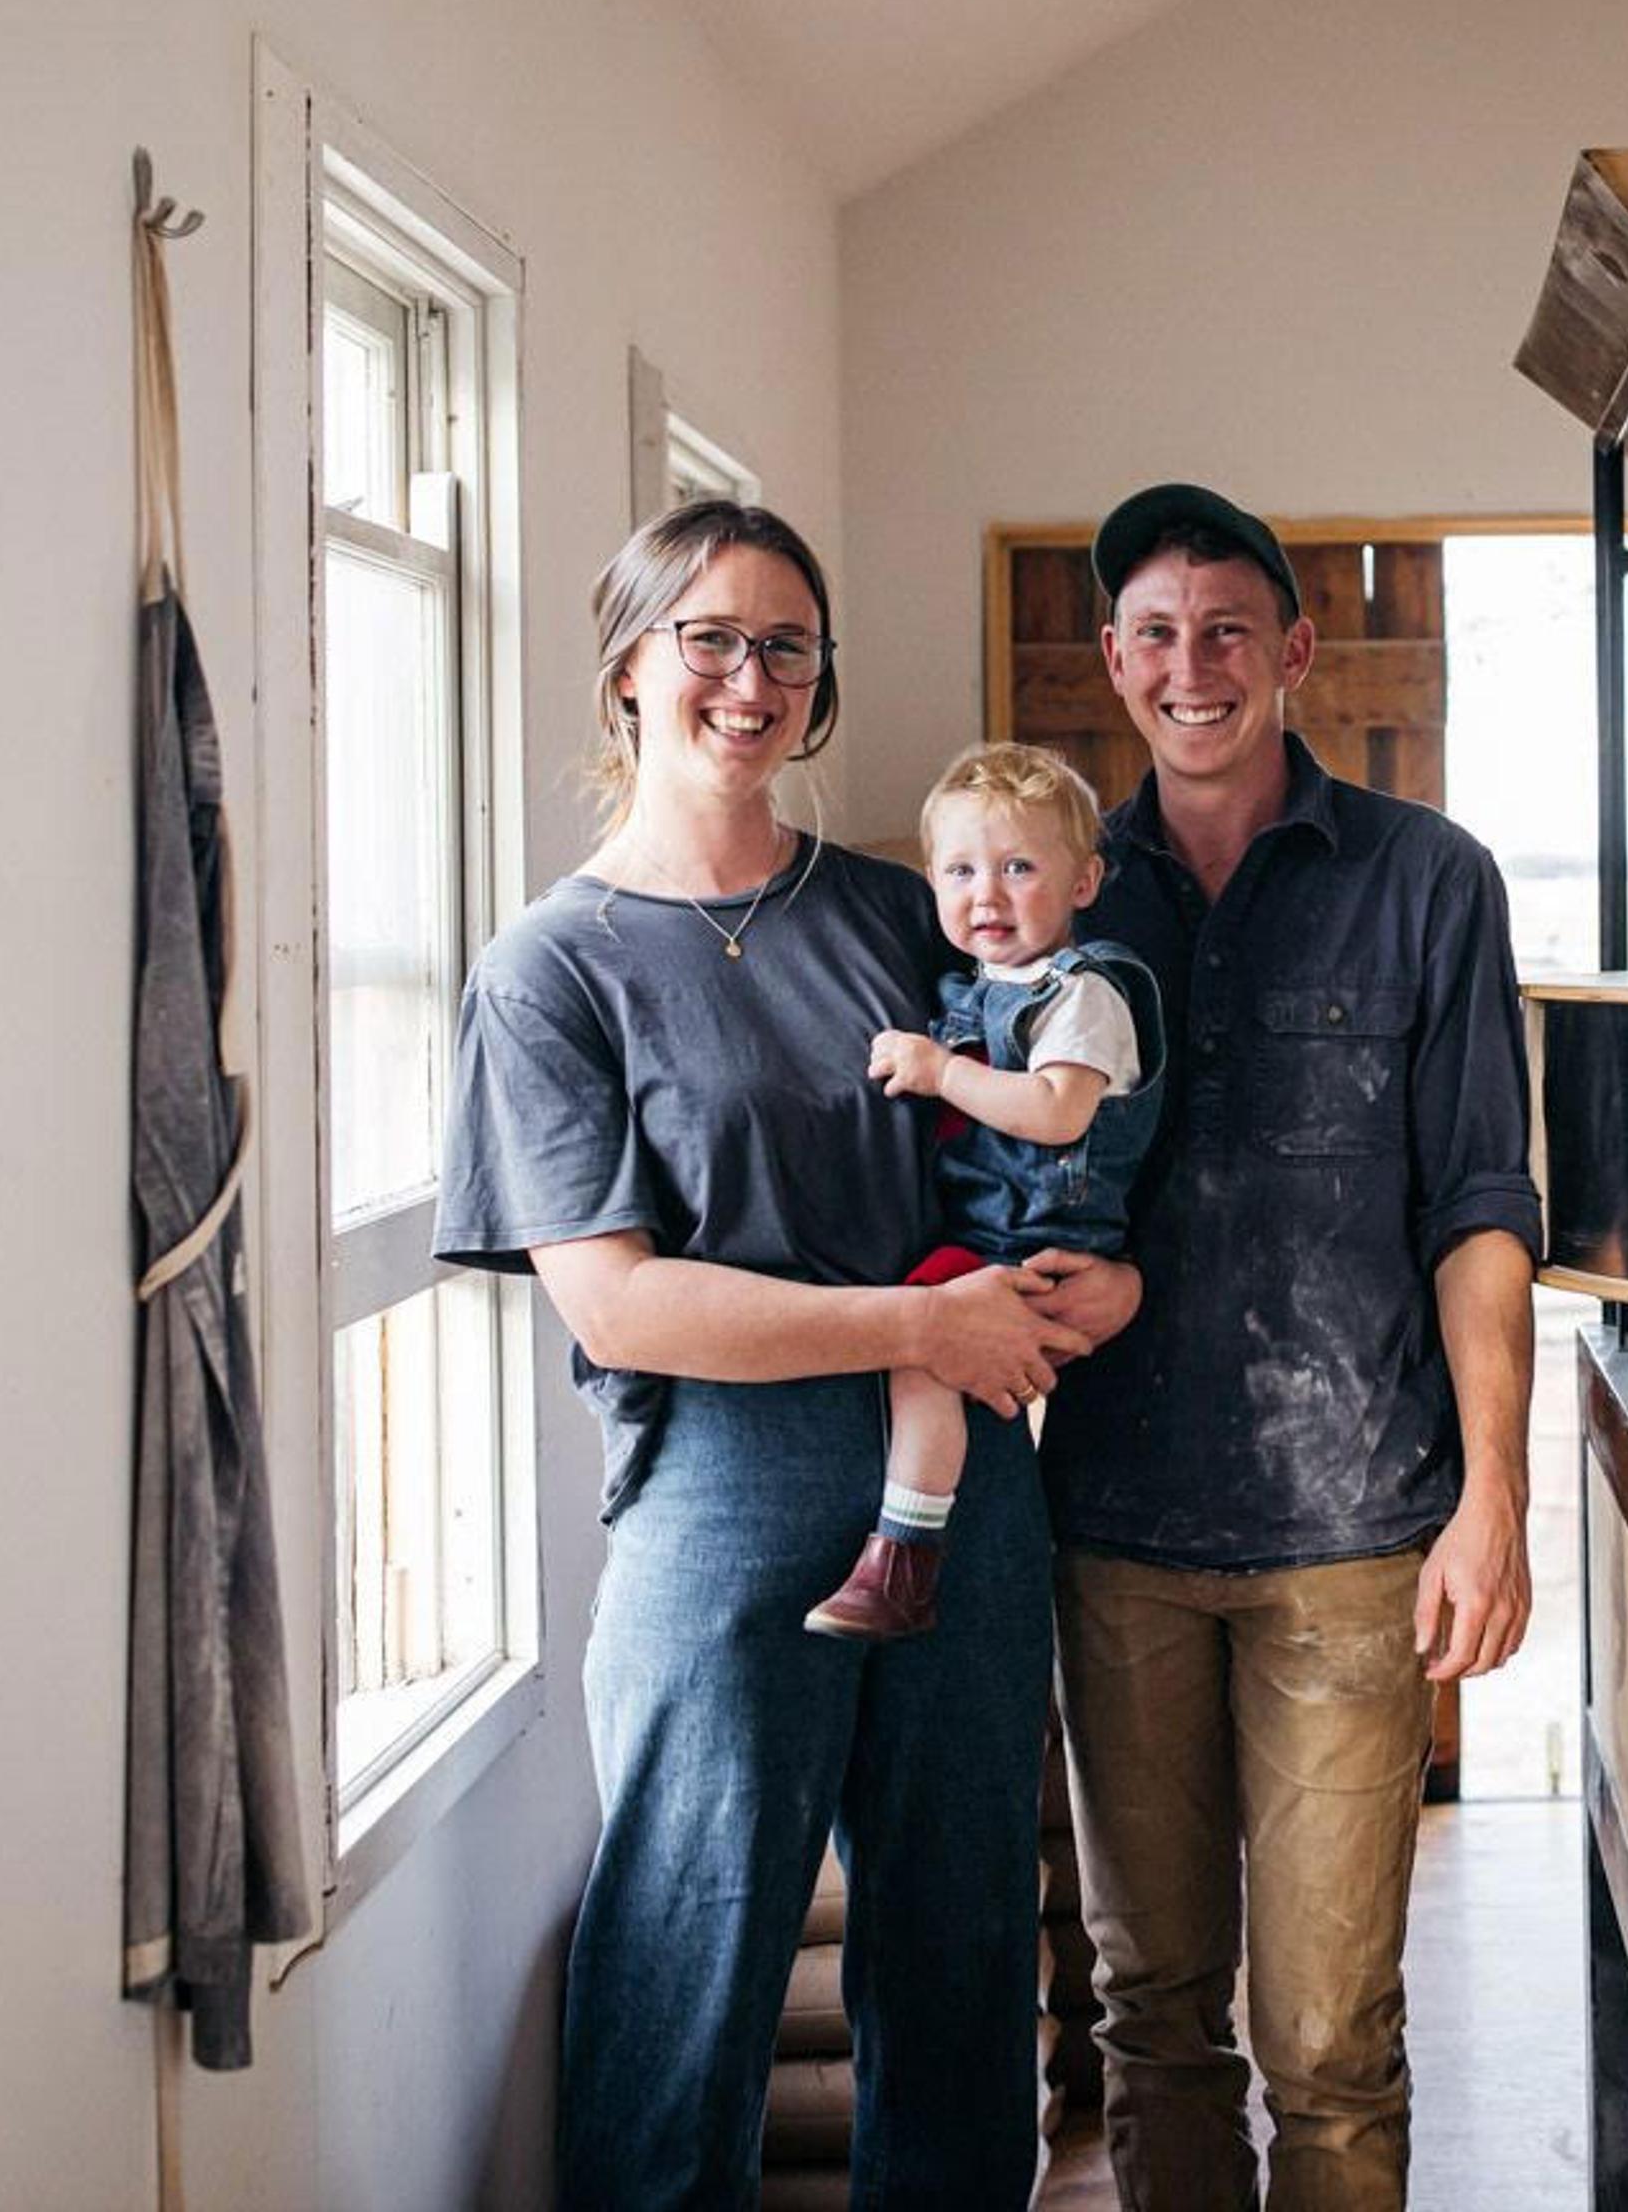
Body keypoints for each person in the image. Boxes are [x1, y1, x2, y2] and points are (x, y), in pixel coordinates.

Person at [432, 498, 1131, 2208]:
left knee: (964, 1941)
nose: (752, 679)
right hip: (720, 1496)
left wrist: (1092, 1286)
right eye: (713, 639)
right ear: (627, 670)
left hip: (963, 1475)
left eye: (788, 647)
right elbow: (618, 1302)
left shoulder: (905, 916)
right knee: (691, 1943)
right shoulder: (551, 970)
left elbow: (1046, 1140)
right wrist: (922, 1324)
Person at [1045, 481, 1544, 2211]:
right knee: (1153, 2018)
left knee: (1329, 2040)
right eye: (1160, 636)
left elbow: (1482, 1204)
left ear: (1298, 653)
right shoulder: (1056, 901)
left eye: (1229, 630)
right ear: (1116, 661)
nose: (1195, 669)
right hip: (1113, 1535)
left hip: (1355, 1539)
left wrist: (1497, 1501)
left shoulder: (1429, 883)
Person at [816, 741, 1165, 1640]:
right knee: (917, 1357)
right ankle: (907, 1551)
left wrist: (938, 1071)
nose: (988, 895)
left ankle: (904, 1556)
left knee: (920, 1355)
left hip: (1039, 1231)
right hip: (992, 1224)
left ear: (1084, 882)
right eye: (962, 870)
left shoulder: (1084, 993)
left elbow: (1055, 1112)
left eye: (1019, 867)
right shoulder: (976, 988)